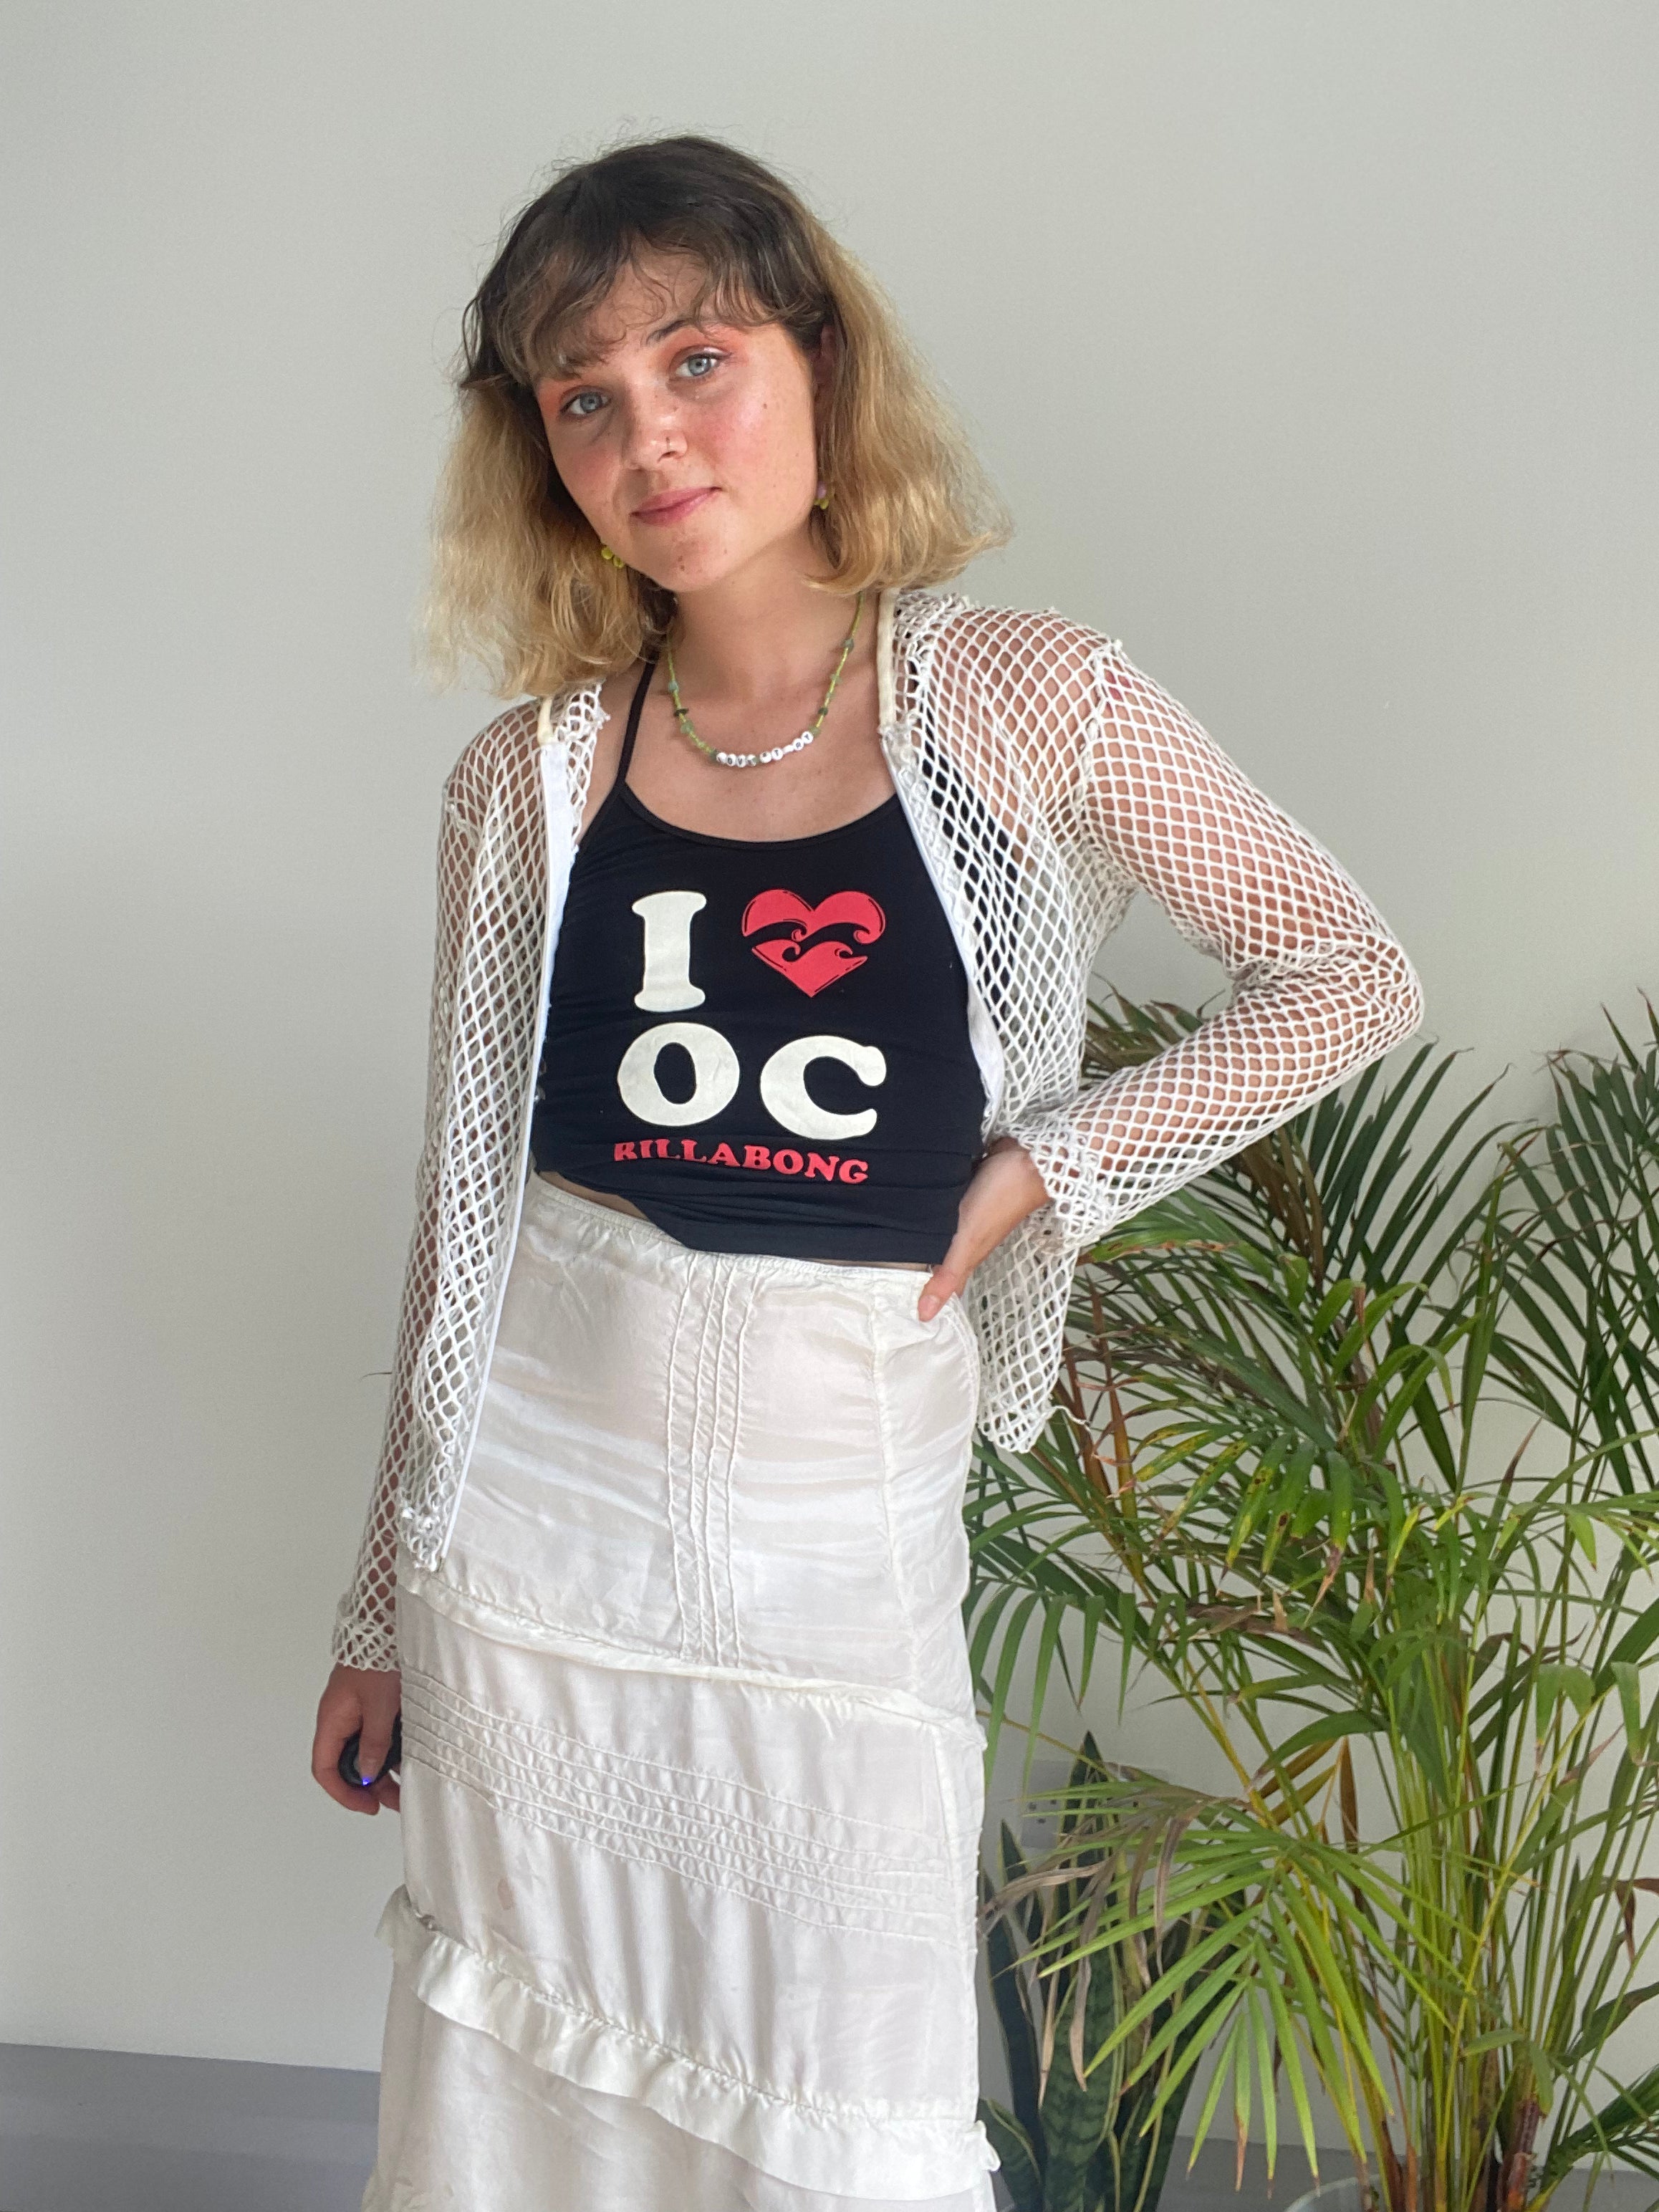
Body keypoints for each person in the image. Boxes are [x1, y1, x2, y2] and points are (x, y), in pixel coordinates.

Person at [310, 135, 1424, 2212]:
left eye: (697, 361)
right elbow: (460, 1226)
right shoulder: (523, 780)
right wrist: (382, 1603)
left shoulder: (1025, 698)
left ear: (821, 360)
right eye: (582, 399)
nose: (648, 437)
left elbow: (1346, 972)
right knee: (521, 2096)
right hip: (531, 1532)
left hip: (837, 1514)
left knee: (840, 2086)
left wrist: (1048, 1170)